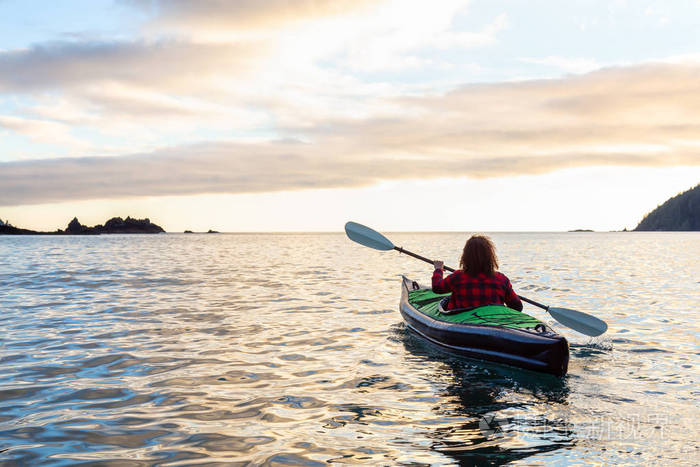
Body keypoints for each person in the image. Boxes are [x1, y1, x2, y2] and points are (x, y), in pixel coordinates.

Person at [432, 235, 523, 312]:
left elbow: (437, 287)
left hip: (462, 324)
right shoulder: (501, 279)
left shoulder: (458, 277)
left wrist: (438, 269)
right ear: (490, 257)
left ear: (465, 256)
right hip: (494, 324)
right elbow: (517, 306)